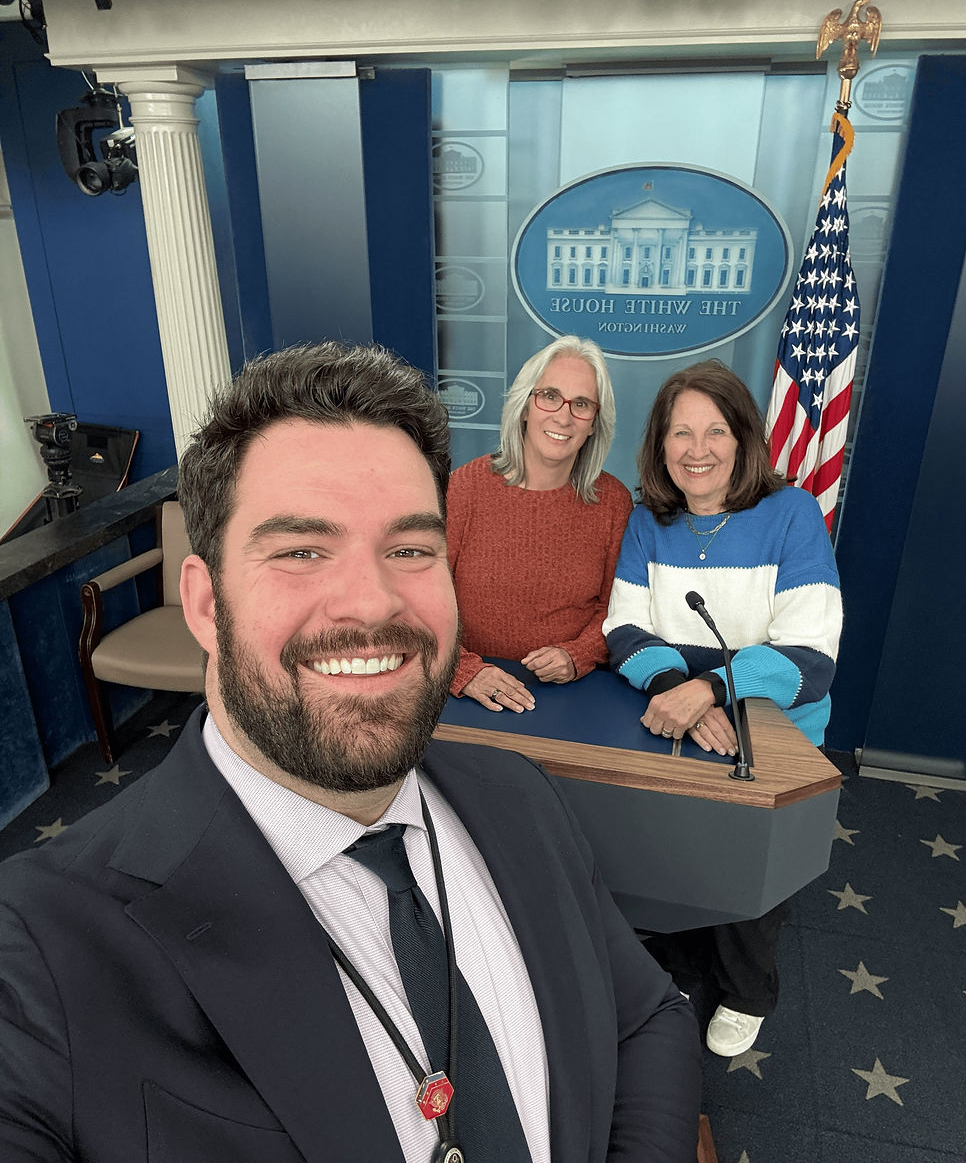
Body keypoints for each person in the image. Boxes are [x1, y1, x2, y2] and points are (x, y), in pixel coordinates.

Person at [0, 341, 702, 1163]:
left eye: (410, 549)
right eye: (301, 549)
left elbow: (650, 1014)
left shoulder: (522, 797)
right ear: (203, 601)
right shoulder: (40, 947)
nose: (372, 600)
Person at [602, 358, 842, 1058]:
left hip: (775, 730)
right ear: (660, 444)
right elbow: (624, 627)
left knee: (747, 862)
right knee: (667, 849)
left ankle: (746, 987)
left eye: (714, 431)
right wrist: (677, 687)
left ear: (743, 440)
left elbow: (811, 653)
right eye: (680, 432)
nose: (696, 449)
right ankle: (676, 961)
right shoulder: (648, 522)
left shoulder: (791, 513)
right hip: (675, 714)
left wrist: (710, 690)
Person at [447, 336, 633, 713]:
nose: (563, 417)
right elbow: (422, 597)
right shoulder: (466, 485)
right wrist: (462, 670)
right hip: (468, 693)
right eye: (549, 396)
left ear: (595, 423)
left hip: (570, 697)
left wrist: (578, 655)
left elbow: (619, 608)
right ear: (525, 406)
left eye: (581, 404)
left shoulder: (613, 501)